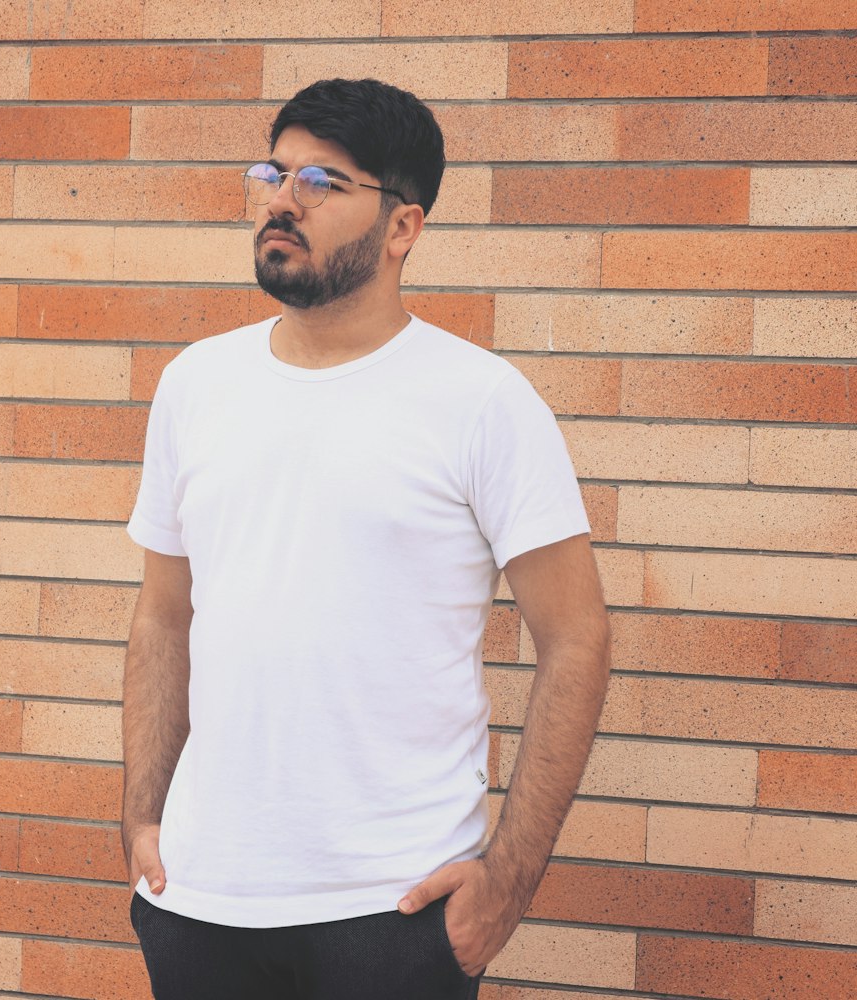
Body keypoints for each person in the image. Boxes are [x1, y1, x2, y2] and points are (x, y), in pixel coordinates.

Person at [122, 78, 610, 1000]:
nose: (281, 199)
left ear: (402, 226)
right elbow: (162, 620)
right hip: (198, 899)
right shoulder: (196, 385)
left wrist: (506, 883)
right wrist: (142, 817)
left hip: (391, 914)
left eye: (322, 182)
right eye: (274, 171)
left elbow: (577, 640)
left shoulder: (481, 402)